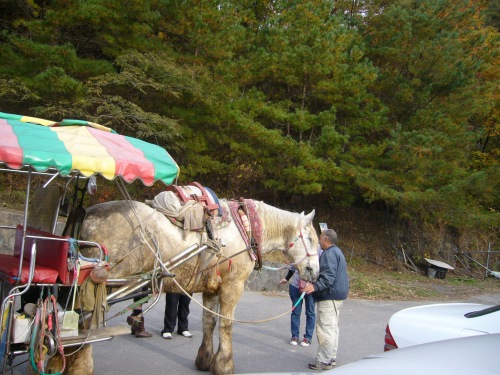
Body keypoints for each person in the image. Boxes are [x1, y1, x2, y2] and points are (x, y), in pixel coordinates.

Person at [301, 229, 349, 371]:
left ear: (326, 239)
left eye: (320, 238)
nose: (319, 241)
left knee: (325, 329)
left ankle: (324, 360)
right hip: (336, 296)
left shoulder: (329, 254)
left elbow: (328, 276)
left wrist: (315, 286)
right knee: (332, 328)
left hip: (329, 296)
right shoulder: (337, 252)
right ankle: (330, 357)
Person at [280, 265, 315, 347]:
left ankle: (308, 337)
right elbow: (293, 266)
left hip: (310, 288)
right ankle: (294, 336)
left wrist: (316, 286)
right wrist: (287, 278)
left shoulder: (319, 254)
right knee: (296, 312)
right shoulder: (300, 253)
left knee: (310, 313)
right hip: (296, 287)